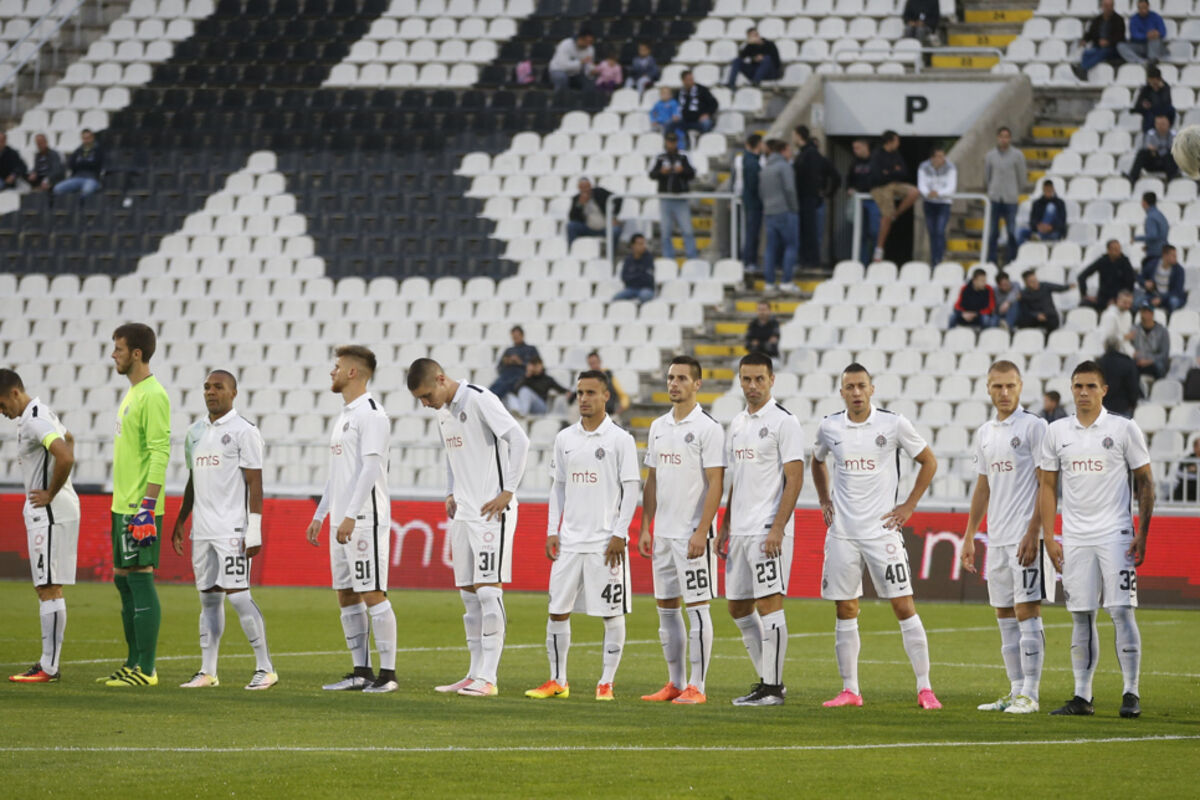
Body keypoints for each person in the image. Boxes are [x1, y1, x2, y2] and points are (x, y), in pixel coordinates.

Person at [811, 363, 942, 710]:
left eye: (861, 386)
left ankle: (925, 688)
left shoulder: (893, 424)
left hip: (882, 532)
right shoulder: (829, 426)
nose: (856, 392)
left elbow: (929, 461)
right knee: (845, 607)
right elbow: (816, 460)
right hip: (842, 534)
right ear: (841, 392)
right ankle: (850, 690)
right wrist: (824, 500)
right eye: (850, 387)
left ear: (872, 389)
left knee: (903, 605)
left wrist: (909, 506)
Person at [407, 358, 530, 697]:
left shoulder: (479, 399)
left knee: (488, 591)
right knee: (468, 595)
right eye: (420, 399)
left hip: (492, 510)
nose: (425, 403)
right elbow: (452, 456)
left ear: (441, 379)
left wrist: (508, 491)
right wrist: (450, 491)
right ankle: (473, 673)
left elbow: (519, 440)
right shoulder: (442, 414)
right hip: (463, 513)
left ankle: (489, 677)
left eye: (427, 395)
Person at [1039, 360, 1154, 719]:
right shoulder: (1056, 431)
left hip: (1115, 534)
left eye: (1091, 386)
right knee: (1081, 615)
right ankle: (1082, 696)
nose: (1084, 392)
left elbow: (1146, 482)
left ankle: (1131, 692)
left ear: (1104, 390)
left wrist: (1142, 533)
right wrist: (1049, 537)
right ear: (1071, 390)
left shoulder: (1123, 428)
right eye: (1078, 386)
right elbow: (1047, 486)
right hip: (1075, 537)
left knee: (1120, 610)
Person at [525, 371, 638, 702]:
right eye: (579, 393)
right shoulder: (565, 438)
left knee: (611, 613)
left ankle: (606, 682)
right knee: (557, 611)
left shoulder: (620, 439)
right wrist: (552, 529)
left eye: (591, 392)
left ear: (606, 396)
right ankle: (558, 680)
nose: (584, 399)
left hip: (605, 543)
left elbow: (631, 489)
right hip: (570, 542)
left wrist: (620, 533)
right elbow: (558, 487)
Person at [172, 370, 277, 691]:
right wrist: (181, 519)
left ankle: (265, 668)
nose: (210, 392)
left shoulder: (245, 431)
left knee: (239, 597)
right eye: (206, 387)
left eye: (218, 387)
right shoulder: (194, 432)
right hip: (202, 531)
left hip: (232, 529)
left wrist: (254, 528)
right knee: (208, 599)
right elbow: (193, 480)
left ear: (233, 393)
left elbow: (255, 483)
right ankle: (208, 671)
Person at [305, 347, 397, 694]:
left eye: (337, 367)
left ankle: (388, 675)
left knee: (372, 592)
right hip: (342, 520)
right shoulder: (345, 415)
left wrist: (350, 515)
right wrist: (321, 514)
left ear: (353, 372)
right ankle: (361, 671)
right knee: (346, 594)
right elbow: (339, 473)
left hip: (364, 519)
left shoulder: (372, 414)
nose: (333, 372)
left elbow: (371, 469)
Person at [961, 361, 1049, 714]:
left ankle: (1031, 693)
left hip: (1024, 536)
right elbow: (983, 486)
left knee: (1027, 610)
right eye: (997, 386)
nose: (1004, 392)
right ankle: (1015, 690)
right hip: (996, 537)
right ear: (988, 389)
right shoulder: (985, 432)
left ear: (1020, 386)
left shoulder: (1034, 427)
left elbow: (1047, 483)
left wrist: (1034, 531)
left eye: (1010, 385)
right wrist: (970, 535)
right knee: (1004, 614)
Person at [638, 355, 725, 705]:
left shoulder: (708, 428)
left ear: (697, 384)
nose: (674, 383)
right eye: (671, 377)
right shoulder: (658, 426)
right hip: (663, 534)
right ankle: (675, 682)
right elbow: (652, 479)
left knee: (698, 607)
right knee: (666, 608)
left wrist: (702, 530)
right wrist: (646, 526)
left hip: (692, 535)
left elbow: (716, 482)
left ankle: (697, 686)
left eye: (682, 378)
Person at [719, 353, 805, 706]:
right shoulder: (737, 423)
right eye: (746, 379)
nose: (752, 385)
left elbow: (795, 478)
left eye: (759, 379)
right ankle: (768, 680)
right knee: (738, 607)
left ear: (772, 380)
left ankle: (772, 686)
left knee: (769, 603)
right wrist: (725, 525)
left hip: (768, 528)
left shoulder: (785, 422)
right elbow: (736, 480)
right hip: (740, 529)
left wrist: (778, 528)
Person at [97, 323, 170, 687]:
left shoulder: (153, 395)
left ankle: (147, 669)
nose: (114, 354)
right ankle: (132, 662)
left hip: (139, 506)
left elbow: (160, 452)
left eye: (119, 349)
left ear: (137, 354)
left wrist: (147, 506)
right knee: (123, 581)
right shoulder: (134, 393)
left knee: (140, 579)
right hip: (122, 504)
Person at [1, 369, 79, 684]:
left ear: (14, 393)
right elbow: (69, 438)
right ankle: (49, 664)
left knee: (48, 587)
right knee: (48, 585)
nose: (2, 412)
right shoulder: (40, 413)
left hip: (48, 512)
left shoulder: (34, 421)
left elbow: (65, 456)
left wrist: (50, 492)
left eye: (2, 404)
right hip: (53, 511)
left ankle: (49, 667)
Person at [868, 130, 920, 263]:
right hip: (880, 187)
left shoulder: (896, 154)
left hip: (894, 184)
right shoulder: (877, 154)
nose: (899, 143)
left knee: (914, 192)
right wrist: (894, 172)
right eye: (897, 140)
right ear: (890, 141)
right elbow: (878, 176)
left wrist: (889, 173)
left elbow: (904, 172)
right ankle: (879, 249)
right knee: (886, 215)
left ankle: (895, 215)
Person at [649, 132, 699, 259]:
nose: (671, 144)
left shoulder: (684, 157)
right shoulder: (660, 157)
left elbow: (692, 173)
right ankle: (668, 259)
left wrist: (682, 171)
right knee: (665, 232)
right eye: (669, 142)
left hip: (680, 198)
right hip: (665, 198)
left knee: (687, 230)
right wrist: (661, 172)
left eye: (673, 142)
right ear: (666, 142)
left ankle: (692, 257)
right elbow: (652, 174)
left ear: (677, 142)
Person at [759, 138, 799, 294]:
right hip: (785, 211)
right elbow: (790, 189)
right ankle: (786, 281)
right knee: (791, 246)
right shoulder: (784, 167)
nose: (791, 153)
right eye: (789, 150)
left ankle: (769, 282)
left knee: (770, 248)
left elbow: (761, 192)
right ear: (783, 151)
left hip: (769, 212)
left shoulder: (765, 168)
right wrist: (794, 208)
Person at [985, 127, 1028, 266]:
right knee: (993, 231)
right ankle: (991, 259)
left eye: (1006, 137)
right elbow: (987, 176)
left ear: (1010, 138)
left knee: (1011, 230)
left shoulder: (1017, 155)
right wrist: (991, 190)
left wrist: (1015, 191)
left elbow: (1022, 176)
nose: (1004, 139)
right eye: (1001, 136)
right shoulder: (990, 155)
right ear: (998, 138)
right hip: (995, 197)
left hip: (1010, 198)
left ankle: (1011, 259)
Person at [917, 146, 956, 266]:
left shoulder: (951, 167)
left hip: (944, 203)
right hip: (929, 203)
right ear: (932, 158)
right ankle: (934, 259)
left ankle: (939, 258)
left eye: (943, 156)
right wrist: (928, 194)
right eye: (938, 156)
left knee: (939, 230)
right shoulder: (923, 166)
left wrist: (938, 193)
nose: (941, 159)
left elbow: (951, 187)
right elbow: (921, 185)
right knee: (932, 232)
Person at [793, 125, 823, 270]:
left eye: (794, 135)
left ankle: (811, 260)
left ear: (799, 135)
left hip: (808, 197)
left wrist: (820, 192)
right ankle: (805, 259)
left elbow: (819, 174)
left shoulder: (810, 153)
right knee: (804, 231)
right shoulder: (803, 153)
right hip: (804, 197)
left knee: (810, 231)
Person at [1071, 0, 1125, 81]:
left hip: (1113, 48)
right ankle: (1083, 73)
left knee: (1103, 52)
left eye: (1110, 6)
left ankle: (1083, 69)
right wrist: (1084, 40)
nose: (1108, 8)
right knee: (1086, 53)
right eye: (1106, 6)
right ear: (1102, 7)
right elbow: (1090, 33)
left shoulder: (1119, 20)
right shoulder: (1097, 20)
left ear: (1113, 6)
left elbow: (1120, 37)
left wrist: (1108, 42)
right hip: (1098, 46)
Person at [1078, 239, 1136, 312]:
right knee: (1084, 304)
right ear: (1108, 250)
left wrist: (1116, 299)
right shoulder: (1102, 261)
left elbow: (1130, 283)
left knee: (1131, 307)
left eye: (1119, 249)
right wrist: (1084, 295)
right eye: (1115, 249)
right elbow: (1082, 276)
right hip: (1103, 298)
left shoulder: (1125, 262)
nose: (1118, 251)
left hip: (1119, 299)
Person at [846, 138, 878, 266]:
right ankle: (861, 264)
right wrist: (849, 189)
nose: (855, 151)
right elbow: (849, 179)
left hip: (873, 200)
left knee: (875, 231)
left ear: (866, 147)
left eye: (857, 148)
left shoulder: (875, 161)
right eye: (854, 148)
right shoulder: (854, 163)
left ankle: (876, 263)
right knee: (860, 233)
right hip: (859, 201)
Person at [488, 325, 540, 400]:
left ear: (522, 335)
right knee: (496, 385)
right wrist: (506, 362)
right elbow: (499, 367)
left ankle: (492, 400)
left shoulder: (531, 349)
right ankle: (488, 398)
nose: (515, 339)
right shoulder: (509, 350)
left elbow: (537, 367)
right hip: (506, 374)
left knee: (505, 385)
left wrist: (520, 362)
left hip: (521, 375)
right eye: (514, 337)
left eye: (517, 336)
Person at [507, 357, 572, 417]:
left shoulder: (547, 379)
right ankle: (518, 413)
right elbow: (515, 391)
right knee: (510, 395)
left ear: (541, 365)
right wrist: (526, 377)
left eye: (537, 365)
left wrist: (567, 392)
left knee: (525, 390)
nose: (535, 367)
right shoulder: (527, 378)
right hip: (526, 404)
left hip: (541, 407)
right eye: (533, 365)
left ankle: (522, 414)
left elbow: (560, 388)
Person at [736, 134, 764, 272]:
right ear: (758, 144)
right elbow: (754, 185)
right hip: (754, 202)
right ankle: (749, 260)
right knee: (752, 233)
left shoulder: (747, 160)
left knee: (751, 232)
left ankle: (748, 259)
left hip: (750, 201)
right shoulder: (752, 163)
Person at [53, 128, 104, 201]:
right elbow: (70, 164)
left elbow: (96, 164)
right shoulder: (78, 150)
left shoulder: (98, 150)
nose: (86, 140)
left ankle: (80, 207)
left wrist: (81, 163)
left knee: (87, 191)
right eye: (84, 138)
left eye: (88, 138)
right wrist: (86, 163)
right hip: (77, 177)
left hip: (92, 178)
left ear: (92, 138)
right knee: (57, 189)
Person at [1016, 268, 1073, 333]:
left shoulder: (1045, 286)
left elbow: (1059, 288)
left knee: (1052, 323)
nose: (1035, 283)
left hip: (1048, 315)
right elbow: (1026, 310)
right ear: (1026, 283)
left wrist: (1069, 286)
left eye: (1035, 280)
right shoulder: (1023, 294)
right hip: (1035, 317)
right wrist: (1036, 315)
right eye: (1031, 282)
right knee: (1022, 322)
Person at [578, 351, 631, 418]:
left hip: (609, 414)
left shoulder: (609, 376)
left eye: (595, 362)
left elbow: (623, 396)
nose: (593, 366)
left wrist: (618, 412)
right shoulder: (586, 379)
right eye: (591, 364)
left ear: (600, 361)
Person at [567, 178, 619, 246]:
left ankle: (611, 251)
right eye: (582, 187)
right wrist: (580, 205)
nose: (585, 189)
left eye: (586, 187)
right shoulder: (576, 198)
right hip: (587, 228)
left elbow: (617, 198)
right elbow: (572, 218)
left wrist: (614, 216)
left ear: (590, 186)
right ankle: (573, 248)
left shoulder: (600, 192)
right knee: (571, 226)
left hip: (605, 228)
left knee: (616, 230)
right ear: (579, 188)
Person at [1127, 114, 1178, 182]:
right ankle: (1132, 177)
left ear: (1168, 124)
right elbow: (1147, 146)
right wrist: (1159, 149)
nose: (1160, 126)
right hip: (1154, 161)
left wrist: (1156, 148)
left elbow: (1172, 148)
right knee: (1142, 153)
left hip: (1167, 163)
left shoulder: (1173, 134)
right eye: (1158, 124)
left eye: (1162, 124)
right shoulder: (1150, 133)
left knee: (1170, 155)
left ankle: (1172, 180)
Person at [1097, 337, 1141, 416]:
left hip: (1103, 407)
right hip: (1123, 407)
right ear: (1118, 347)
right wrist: (1133, 403)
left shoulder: (1098, 363)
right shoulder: (1127, 362)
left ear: (1105, 347)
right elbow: (1133, 386)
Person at [1138, 243, 1187, 312]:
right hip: (1153, 295)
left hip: (1169, 297)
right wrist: (1145, 283)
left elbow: (1177, 290)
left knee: (1174, 302)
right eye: (1173, 255)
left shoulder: (1179, 270)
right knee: (1140, 301)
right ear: (1165, 255)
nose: (1176, 258)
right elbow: (1140, 277)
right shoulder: (1152, 265)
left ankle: (1169, 317)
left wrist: (1161, 299)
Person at [1116, 0, 1166, 66]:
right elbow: (1134, 34)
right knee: (1120, 46)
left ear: (1148, 7)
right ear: (1138, 8)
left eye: (1144, 8)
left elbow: (1163, 32)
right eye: (1140, 8)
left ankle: (1152, 61)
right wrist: (1146, 35)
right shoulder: (1134, 19)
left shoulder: (1156, 17)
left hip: (1153, 45)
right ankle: (1141, 61)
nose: (1143, 10)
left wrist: (1156, 33)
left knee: (1154, 39)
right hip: (1139, 46)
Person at [1017, 180, 1067, 246]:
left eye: (1049, 189)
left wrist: (1051, 227)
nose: (1048, 191)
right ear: (1043, 190)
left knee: (1050, 207)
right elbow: (1032, 220)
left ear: (1053, 189)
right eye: (1046, 189)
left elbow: (1062, 221)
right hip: (1038, 230)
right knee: (1019, 232)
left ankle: (1039, 236)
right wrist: (1038, 226)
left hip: (1053, 232)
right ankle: (1021, 251)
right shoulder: (1037, 203)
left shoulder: (1060, 203)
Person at [548, 29, 596, 93]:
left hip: (576, 73)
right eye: (586, 41)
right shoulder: (566, 44)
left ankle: (585, 99)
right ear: (580, 38)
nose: (588, 44)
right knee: (561, 78)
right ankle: (560, 98)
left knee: (590, 82)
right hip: (558, 70)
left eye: (590, 42)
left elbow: (588, 66)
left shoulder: (590, 49)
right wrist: (581, 62)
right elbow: (563, 66)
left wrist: (592, 70)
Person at [613, 233, 655, 304]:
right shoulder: (628, 259)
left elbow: (648, 279)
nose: (643, 246)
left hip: (646, 289)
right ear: (633, 245)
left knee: (644, 296)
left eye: (643, 243)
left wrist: (633, 277)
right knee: (616, 299)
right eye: (640, 244)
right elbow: (624, 277)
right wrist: (639, 276)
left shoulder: (649, 258)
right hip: (631, 289)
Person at [1131, 66, 1174, 133]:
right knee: (1149, 116)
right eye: (1150, 81)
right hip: (1150, 113)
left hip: (1163, 112)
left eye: (1154, 82)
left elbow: (1166, 103)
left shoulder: (1165, 88)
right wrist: (1143, 105)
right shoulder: (1146, 89)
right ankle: (1149, 135)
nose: (1152, 84)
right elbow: (1138, 105)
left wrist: (1160, 91)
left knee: (1171, 110)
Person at [1132, 303, 1170, 379]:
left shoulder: (1162, 331)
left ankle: (1160, 385)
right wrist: (1138, 358)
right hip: (1138, 361)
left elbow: (1164, 354)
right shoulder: (1134, 329)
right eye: (1142, 312)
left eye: (1147, 312)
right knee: (1127, 365)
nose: (1144, 315)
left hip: (1154, 362)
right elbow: (1131, 348)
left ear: (1152, 313)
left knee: (1160, 366)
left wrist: (1150, 361)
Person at [677, 70, 718, 138]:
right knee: (671, 124)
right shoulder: (679, 92)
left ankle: (703, 142)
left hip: (699, 121)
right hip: (684, 121)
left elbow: (714, 103)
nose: (691, 81)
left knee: (706, 124)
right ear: (683, 81)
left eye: (692, 79)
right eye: (688, 80)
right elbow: (676, 106)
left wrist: (707, 114)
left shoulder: (702, 90)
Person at [1133, 191, 1169, 270]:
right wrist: (1148, 245)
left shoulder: (1151, 217)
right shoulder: (1160, 215)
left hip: (1155, 254)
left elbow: (1153, 235)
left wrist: (1136, 238)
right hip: (1163, 250)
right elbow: (1161, 234)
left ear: (1144, 202)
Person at [1099, 289, 1137, 357]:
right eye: (1125, 302)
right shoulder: (1109, 315)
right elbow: (1106, 339)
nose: (1127, 306)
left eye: (1129, 303)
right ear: (1118, 300)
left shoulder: (1128, 314)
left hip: (1125, 348)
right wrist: (1124, 337)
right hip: (1110, 350)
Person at [1170, 437, 1200, 502]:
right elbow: (1179, 473)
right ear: (1195, 448)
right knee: (1182, 487)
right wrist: (1188, 471)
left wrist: (1197, 469)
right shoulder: (1187, 459)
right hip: (1189, 485)